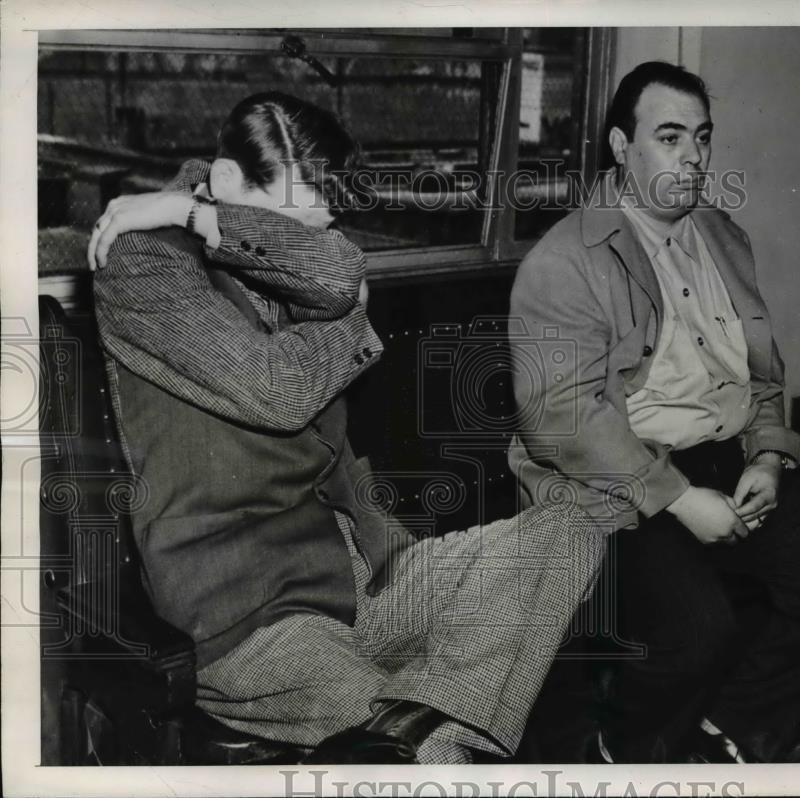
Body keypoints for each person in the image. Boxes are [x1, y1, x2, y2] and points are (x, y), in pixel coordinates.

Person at [90, 91, 605, 764]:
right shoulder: (143, 261)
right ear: (226, 183)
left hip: (351, 579)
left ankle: (420, 718)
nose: (304, 241)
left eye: (315, 225)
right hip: (250, 621)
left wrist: (196, 211)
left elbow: (342, 273)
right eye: (292, 219)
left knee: (570, 527)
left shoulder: (247, 233)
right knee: (432, 753)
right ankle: (425, 730)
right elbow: (279, 391)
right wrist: (192, 220)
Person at [508, 62, 800, 763]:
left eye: (702, 138)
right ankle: (621, 757)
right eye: (671, 137)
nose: (694, 159)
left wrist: (770, 455)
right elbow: (557, 415)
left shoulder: (723, 237)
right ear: (622, 148)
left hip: (732, 458)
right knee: (696, 630)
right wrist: (678, 498)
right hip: (615, 481)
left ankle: (729, 736)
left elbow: (762, 372)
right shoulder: (566, 259)